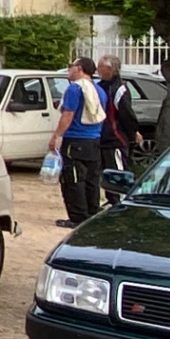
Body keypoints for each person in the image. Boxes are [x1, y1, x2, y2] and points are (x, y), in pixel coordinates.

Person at [46, 56, 106, 228]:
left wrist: (56, 136)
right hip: (94, 139)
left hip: (76, 139)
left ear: (79, 68)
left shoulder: (74, 89)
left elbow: (68, 114)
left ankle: (77, 217)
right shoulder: (98, 90)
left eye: (70, 66)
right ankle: (92, 212)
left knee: (73, 179)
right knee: (91, 179)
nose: (68, 70)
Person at [95, 55, 143, 203]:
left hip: (115, 138)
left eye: (100, 66)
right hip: (102, 137)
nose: (97, 69)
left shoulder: (119, 89)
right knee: (106, 174)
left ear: (110, 69)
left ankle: (122, 202)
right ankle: (111, 200)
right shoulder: (100, 86)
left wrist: (132, 133)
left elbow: (126, 113)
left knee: (118, 173)